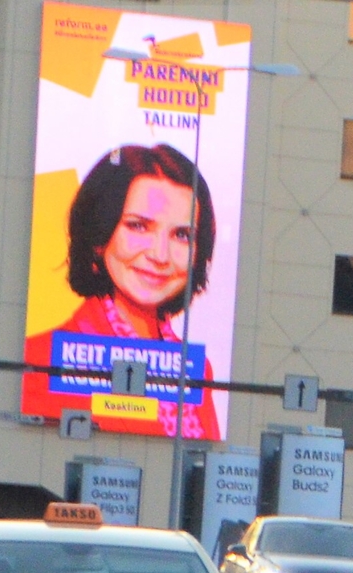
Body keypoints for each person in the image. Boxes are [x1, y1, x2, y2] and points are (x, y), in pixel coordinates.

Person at [23, 144, 221, 440]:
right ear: (99, 237)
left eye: (181, 235)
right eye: (139, 226)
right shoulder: (39, 359)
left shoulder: (196, 368)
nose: (160, 255)